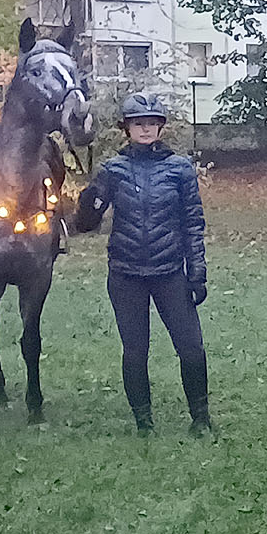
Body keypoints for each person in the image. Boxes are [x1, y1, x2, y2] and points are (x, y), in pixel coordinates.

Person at [74, 91, 212, 436]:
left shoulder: (179, 169)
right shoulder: (113, 170)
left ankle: (201, 419)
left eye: (151, 123)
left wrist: (197, 271)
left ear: (161, 128)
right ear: (127, 129)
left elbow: (192, 223)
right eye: (138, 124)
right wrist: (87, 203)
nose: (145, 129)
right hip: (126, 274)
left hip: (170, 272)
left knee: (191, 348)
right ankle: (143, 423)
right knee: (135, 351)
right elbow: (86, 224)